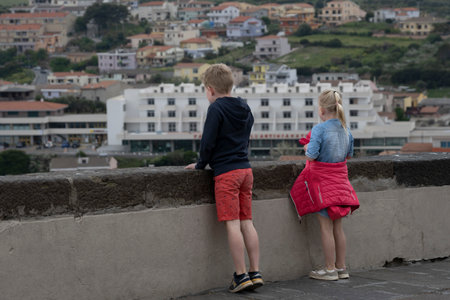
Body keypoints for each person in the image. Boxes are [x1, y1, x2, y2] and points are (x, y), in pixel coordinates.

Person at [185, 64, 263, 293]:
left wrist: (200, 164)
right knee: (247, 222)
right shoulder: (245, 107)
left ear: (210, 89)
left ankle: (240, 275)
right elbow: (246, 136)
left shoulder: (216, 109)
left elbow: (208, 142)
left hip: (227, 173)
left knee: (233, 225)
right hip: (245, 171)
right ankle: (255, 271)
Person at [290, 90, 360, 281]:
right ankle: (341, 267)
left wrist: (306, 146)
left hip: (323, 185)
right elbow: (349, 154)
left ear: (321, 110)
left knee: (325, 228)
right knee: (338, 227)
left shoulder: (319, 130)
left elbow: (311, 155)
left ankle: (329, 270)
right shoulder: (347, 130)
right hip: (340, 182)